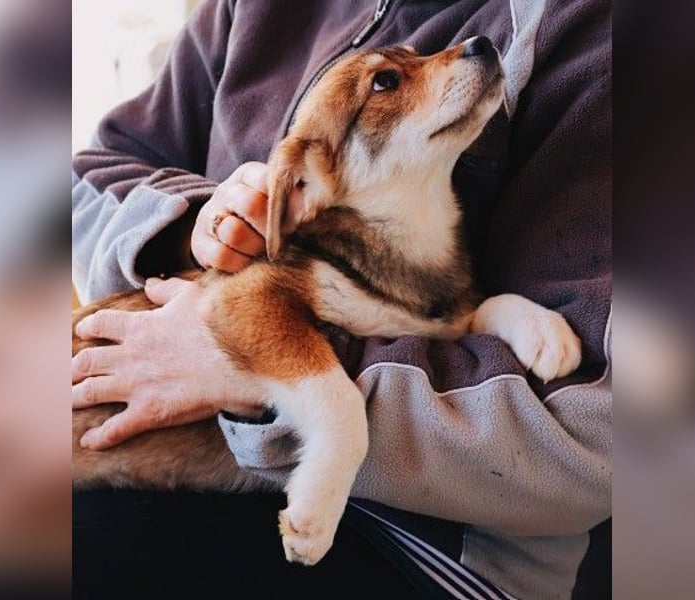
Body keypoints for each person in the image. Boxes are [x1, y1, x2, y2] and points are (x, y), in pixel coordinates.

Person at [71, 1, 611, 598]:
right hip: (117, 443)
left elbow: (600, 428)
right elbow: (86, 178)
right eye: (387, 81)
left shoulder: (592, 35)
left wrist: (261, 377)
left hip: (426, 539)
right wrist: (198, 226)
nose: (460, 58)